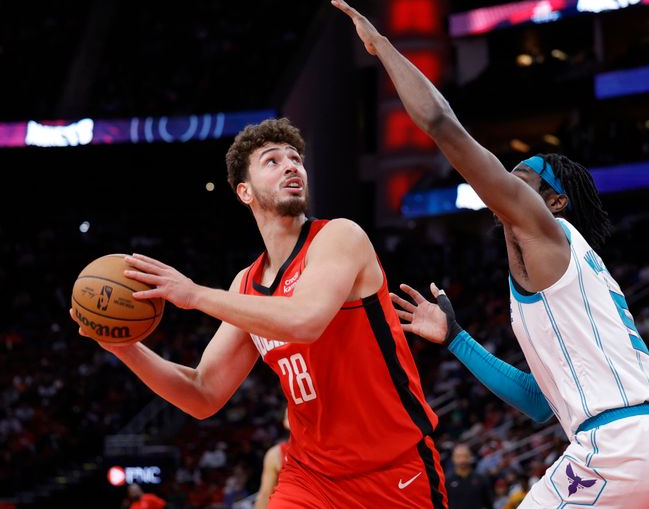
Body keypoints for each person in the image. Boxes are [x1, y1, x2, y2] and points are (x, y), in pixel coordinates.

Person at [332, 0, 649, 508]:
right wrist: (458, 338)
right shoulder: (560, 281)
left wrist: (384, 49)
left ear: (554, 201)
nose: (508, 181)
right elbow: (536, 401)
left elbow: (444, 126)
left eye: (523, 178)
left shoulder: (549, 232)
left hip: (622, 444)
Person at [70, 117, 448, 508]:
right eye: (272, 160)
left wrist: (195, 294)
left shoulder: (339, 237)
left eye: (295, 158)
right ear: (244, 192)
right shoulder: (245, 284)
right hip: (311, 476)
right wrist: (123, 347)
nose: (291, 165)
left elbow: (304, 320)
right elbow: (203, 394)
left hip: (393, 471)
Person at [254, 408, 290, 508]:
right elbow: (265, 494)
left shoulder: (327, 450)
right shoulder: (275, 454)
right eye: (288, 417)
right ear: (285, 422)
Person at [446, 443, 494, 509]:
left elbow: (489, 504)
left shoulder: (481, 479)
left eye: (465, 456)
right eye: (458, 456)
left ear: (470, 457)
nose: (462, 460)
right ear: (453, 459)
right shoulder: (447, 481)